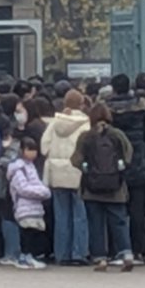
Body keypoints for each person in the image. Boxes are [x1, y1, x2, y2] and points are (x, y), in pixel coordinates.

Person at [71, 102, 135, 272]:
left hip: (91, 188)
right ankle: (126, 254)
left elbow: (75, 159)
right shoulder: (118, 134)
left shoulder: (86, 136)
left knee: (96, 223)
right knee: (119, 222)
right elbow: (128, 155)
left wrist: (88, 169)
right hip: (116, 187)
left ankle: (100, 258)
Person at [106, 74, 145, 263]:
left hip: (111, 165)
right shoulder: (141, 110)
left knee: (114, 209)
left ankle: (116, 249)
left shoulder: (107, 110)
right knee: (137, 210)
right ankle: (138, 250)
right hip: (137, 164)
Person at [41, 88, 90, 265]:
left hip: (56, 171)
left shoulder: (55, 123)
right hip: (77, 173)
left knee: (61, 215)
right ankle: (79, 253)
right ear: (82, 104)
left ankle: (61, 253)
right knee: (80, 214)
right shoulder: (85, 123)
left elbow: (44, 147)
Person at [7, 137, 51, 269]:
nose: (33, 153)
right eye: (29, 149)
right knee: (26, 232)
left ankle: (29, 256)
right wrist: (42, 191)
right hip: (24, 206)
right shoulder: (18, 168)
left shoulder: (31, 167)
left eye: (34, 150)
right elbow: (22, 188)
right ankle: (24, 257)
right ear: (22, 150)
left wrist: (41, 190)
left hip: (34, 206)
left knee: (33, 233)